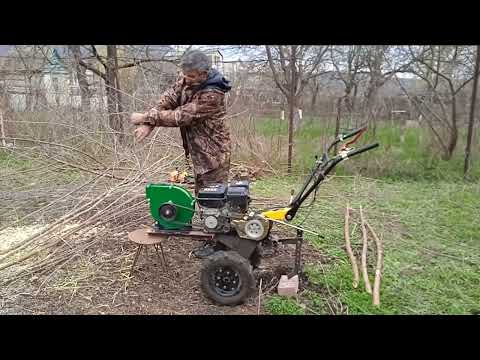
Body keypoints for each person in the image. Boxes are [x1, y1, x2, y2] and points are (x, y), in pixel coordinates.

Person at [130, 49, 232, 257]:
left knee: (213, 200)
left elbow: (181, 116)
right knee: (203, 196)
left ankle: (220, 245)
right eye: (185, 74)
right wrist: (149, 123)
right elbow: (170, 98)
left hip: (213, 154)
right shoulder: (188, 79)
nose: (187, 79)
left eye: (192, 76)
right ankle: (214, 235)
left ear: (204, 73)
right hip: (198, 152)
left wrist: (145, 117)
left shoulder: (213, 95)